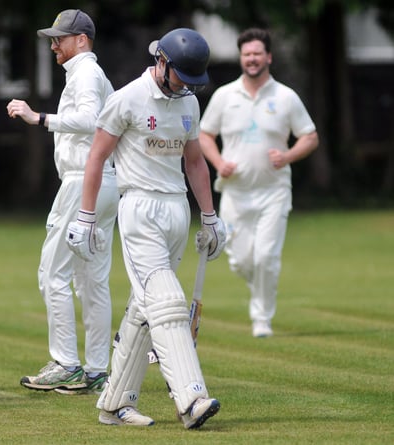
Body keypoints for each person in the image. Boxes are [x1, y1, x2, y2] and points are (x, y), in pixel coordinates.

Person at [67, 28, 226, 427]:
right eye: (181, 78)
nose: (185, 88)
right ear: (162, 62)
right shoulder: (126, 99)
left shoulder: (188, 101)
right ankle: (192, 400)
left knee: (145, 307)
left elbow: (194, 163)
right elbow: (97, 158)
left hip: (176, 209)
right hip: (139, 209)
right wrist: (86, 217)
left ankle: (114, 403)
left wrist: (210, 217)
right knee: (168, 301)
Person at [6, 9, 118, 394]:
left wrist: (39, 118)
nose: (54, 44)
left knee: (52, 273)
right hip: (104, 182)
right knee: (91, 281)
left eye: (61, 38)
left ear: (81, 40)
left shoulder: (85, 72)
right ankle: (98, 370)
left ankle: (67, 363)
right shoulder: (88, 73)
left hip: (83, 182)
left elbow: (91, 120)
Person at [199, 28, 319, 338]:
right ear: (241, 57)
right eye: (246, 54)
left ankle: (261, 318)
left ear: (268, 57)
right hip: (235, 193)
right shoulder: (225, 96)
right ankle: (262, 284)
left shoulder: (285, 96)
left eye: (257, 53)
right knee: (241, 261)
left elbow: (310, 136)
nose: (252, 59)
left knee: (266, 257)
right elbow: (204, 135)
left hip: (273, 191)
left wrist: (288, 155)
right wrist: (219, 163)